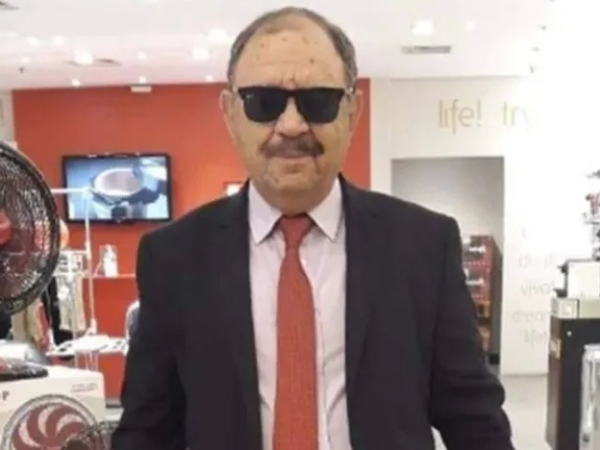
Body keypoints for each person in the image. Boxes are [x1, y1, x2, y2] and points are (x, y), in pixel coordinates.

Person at [111, 6, 514, 450]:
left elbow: (474, 421)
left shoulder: (424, 247)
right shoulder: (174, 259)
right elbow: (147, 430)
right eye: (263, 102)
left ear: (352, 112)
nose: (291, 125)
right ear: (230, 113)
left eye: (318, 101)